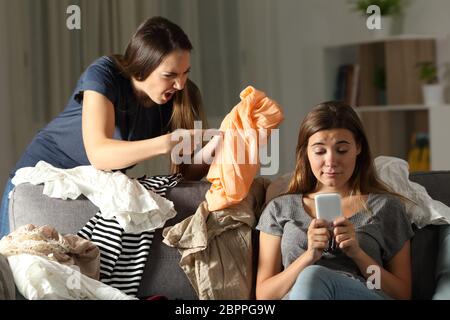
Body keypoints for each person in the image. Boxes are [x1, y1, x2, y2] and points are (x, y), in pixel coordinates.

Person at [0, 16, 215, 237]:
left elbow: (186, 173)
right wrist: (166, 143)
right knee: (15, 266)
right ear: (141, 69)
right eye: (169, 75)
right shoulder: (104, 73)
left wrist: (216, 145)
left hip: (91, 188)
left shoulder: (178, 96)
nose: (180, 84)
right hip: (39, 179)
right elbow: (99, 154)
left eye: (185, 72)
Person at [255, 101, 414, 300]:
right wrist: (309, 256)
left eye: (341, 150)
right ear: (306, 152)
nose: (330, 161)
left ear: (358, 147)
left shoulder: (385, 207)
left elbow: (401, 294)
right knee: (311, 276)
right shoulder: (279, 209)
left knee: (314, 276)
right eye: (320, 151)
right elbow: (264, 296)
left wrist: (358, 254)